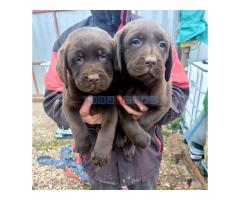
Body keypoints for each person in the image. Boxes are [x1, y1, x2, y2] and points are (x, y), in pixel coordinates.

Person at [43, 10, 189, 190]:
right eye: (136, 42)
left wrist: (146, 116)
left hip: (144, 156)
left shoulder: (157, 32)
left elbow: (180, 91)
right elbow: (52, 99)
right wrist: (83, 119)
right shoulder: (67, 40)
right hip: (97, 159)